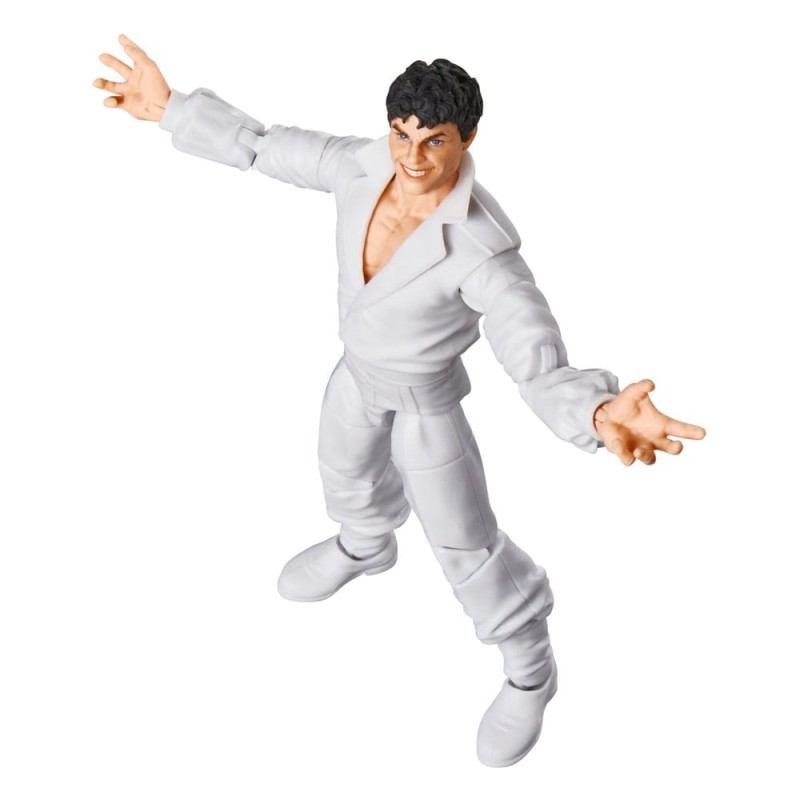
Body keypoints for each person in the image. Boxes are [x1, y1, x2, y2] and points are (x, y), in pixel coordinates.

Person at [94, 35, 706, 768]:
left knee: (465, 544)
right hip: (355, 377)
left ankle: (529, 669)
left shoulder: (483, 250)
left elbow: (535, 356)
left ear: (467, 139)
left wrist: (597, 412)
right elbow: (263, 146)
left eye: (434, 141)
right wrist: (169, 108)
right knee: (343, 473)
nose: (412, 157)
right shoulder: (359, 165)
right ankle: (365, 546)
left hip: (425, 407)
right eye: (401, 135)